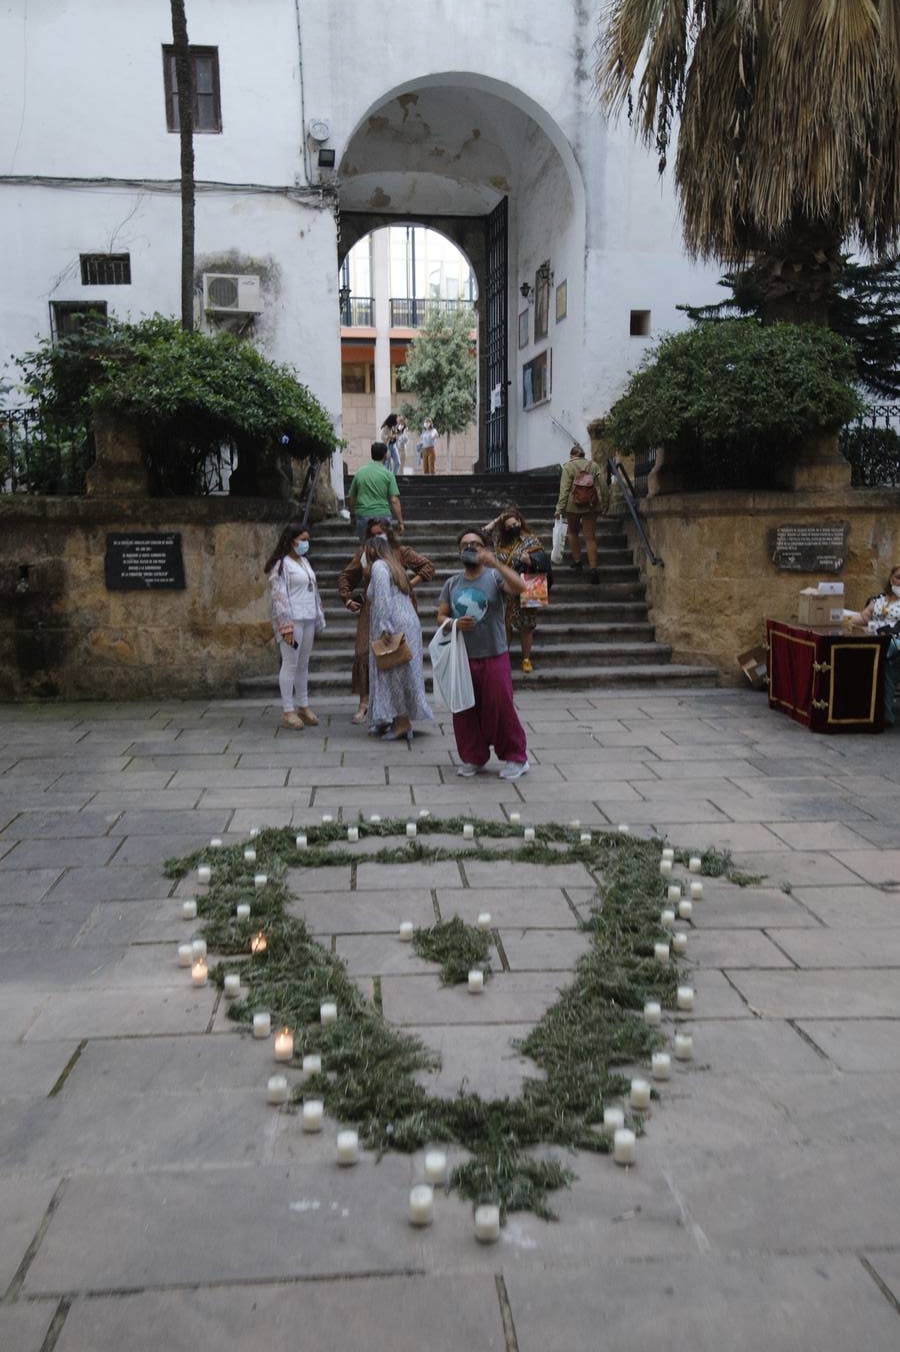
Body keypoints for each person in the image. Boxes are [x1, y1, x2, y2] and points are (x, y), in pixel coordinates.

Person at [437, 528, 530, 779]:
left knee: (500, 707)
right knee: (464, 710)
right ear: (459, 551)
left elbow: (521, 587)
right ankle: (473, 757)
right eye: (465, 544)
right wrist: (454, 624)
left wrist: (496, 564)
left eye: (476, 544)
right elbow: (441, 616)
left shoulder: (493, 577)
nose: (470, 548)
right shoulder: (452, 583)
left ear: (484, 548)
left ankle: (516, 758)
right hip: (463, 657)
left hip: (494, 654)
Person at [338, 518, 434, 725]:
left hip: (399, 609)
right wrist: (347, 599)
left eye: (380, 533)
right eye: (372, 534)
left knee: (397, 658)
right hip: (370, 609)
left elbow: (427, 567)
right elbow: (346, 577)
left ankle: (400, 712)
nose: (377, 537)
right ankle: (366, 703)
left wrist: (407, 585)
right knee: (364, 653)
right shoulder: (364, 554)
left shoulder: (400, 552)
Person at [366, 535, 433, 744]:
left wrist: (385, 627)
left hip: (393, 622)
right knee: (405, 672)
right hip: (408, 621)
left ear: (371, 550)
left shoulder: (378, 566)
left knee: (393, 673)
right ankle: (393, 719)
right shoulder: (393, 565)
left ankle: (402, 723)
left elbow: (383, 598)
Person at [265, 522, 326, 731]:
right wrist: (285, 626)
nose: (306, 543)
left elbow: (313, 589)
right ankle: (288, 710)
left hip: (308, 617)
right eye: (303, 539)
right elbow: (279, 597)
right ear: (292, 541)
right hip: (292, 620)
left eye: (308, 539)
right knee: (290, 664)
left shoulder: (304, 562)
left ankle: (303, 706)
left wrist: (319, 614)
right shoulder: (281, 565)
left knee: (303, 664)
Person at [482, 505, 545, 674]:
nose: (513, 527)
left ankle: (526, 659)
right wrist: (497, 520)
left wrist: (530, 560)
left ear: (520, 522)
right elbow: (483, 534)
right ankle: (504, 656)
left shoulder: (531, 540)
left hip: (528, 584)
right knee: (504, 624)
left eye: (515, 523)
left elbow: (542, 560)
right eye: (508, 526)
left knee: (527, 626)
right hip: (505, 587)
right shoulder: (498, 541)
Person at [555, 443, 610, 585]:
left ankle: (578, 561)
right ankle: (594, 570)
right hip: (591, 505)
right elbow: (603, 485)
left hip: (573, 506)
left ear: (572, 456)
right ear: (583, 455)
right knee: (590, 537)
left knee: (573, 532)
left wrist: (559, 508)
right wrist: (605, 503)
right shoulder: (594, 465)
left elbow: (565, 489)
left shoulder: (568, 466)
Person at [858, 563, 900, 725]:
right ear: (891, 579)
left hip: (895, 648)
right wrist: (839, 615)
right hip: (875, 643)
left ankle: (885, 714)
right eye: (898, 577)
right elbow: (862, 618)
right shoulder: (879, 600)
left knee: (888, 665)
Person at [348, 441, 404, 541]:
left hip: (363, 516)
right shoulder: (388, 475)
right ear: (385, 455)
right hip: (383, 517)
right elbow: (394, 500)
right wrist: (400, 522)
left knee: (366, 548)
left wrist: (352, 516)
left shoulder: (360, 473)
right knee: (383, 549)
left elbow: (351, 497)